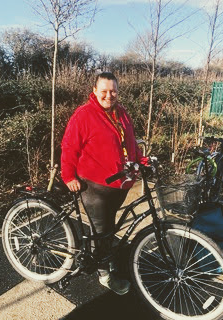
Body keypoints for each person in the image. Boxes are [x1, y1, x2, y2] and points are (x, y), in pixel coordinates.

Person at [61, 72, 147, 295]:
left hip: (119, 184)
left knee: (108, 227)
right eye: (104, 91)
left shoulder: (122, 113)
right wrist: (69, 176)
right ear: (95, 91)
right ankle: (104, 274)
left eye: (113, 91)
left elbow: (130, 142)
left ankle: (104, 258)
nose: (109, 95)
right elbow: (69, 147)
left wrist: (141, 160)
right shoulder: (84, 115)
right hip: (94, 186)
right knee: (101, 231)